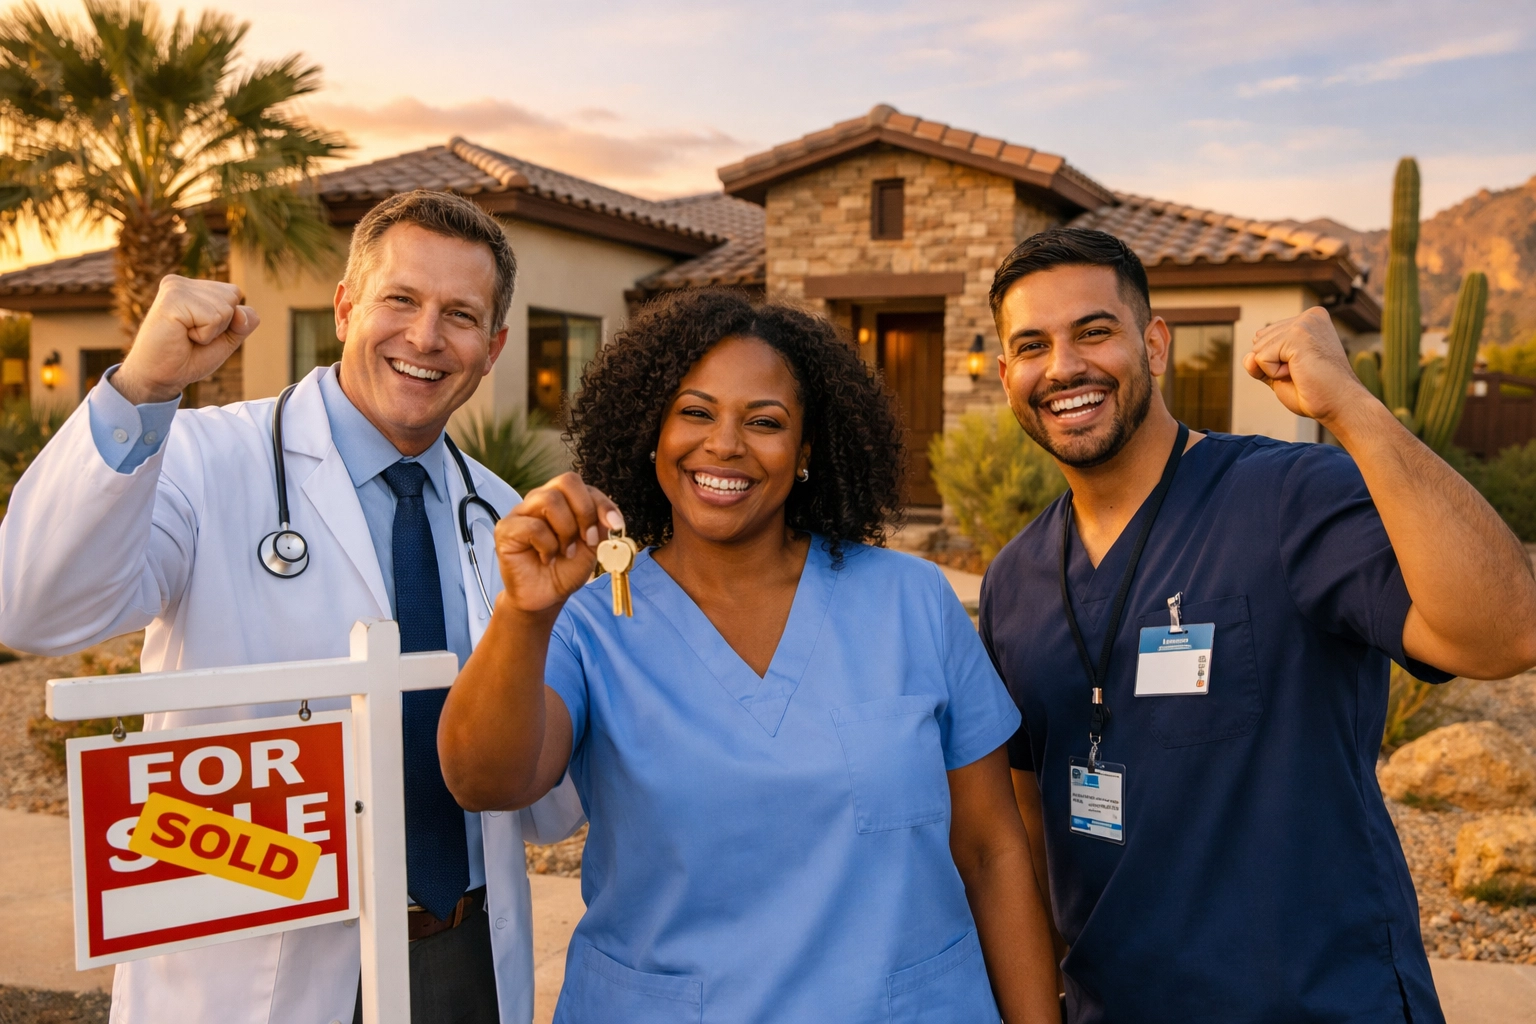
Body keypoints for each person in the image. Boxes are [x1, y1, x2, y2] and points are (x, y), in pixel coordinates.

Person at [0, 190, 583, 1024]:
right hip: (255, 960)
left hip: (460, 958)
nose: (425, 337)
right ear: (346, 309)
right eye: (401, 300)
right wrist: (145, 386)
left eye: (460, 315)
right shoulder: (202, 460)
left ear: (492, 350)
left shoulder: (502, 516)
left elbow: (545, 807)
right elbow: (34, 609)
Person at [438, 289, 1061, 1023]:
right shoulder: (589, 619)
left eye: (764, 422)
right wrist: (522, 612)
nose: (724, 445)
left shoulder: (911, 601)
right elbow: (485, 781)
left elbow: (992, 850)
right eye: (695, 412)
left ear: (805, 452)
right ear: (652, 431)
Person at [978, 226, 1536, 1023]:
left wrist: (1351, 406)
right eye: (1032, 345)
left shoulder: (1287, 497)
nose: (1064, 366)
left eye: (1094, 331)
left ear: (1155, 344)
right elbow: (1025, 822)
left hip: (1320, 1003)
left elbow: (1507, 633)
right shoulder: (1013, 581)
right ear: (1006, 376)